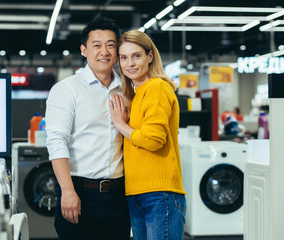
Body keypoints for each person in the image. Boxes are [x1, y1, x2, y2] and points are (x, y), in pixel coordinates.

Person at [45, 16, 130, 240]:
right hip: (80, 192)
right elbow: (56, 141)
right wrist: (67, 191)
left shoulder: (126, 90)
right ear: (84, 50)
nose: (104, 51)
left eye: (111, 45)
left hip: (119, 196)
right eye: (97, 45)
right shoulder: (67, 89)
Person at [109, 30, 186, 240]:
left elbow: (153, 140)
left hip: (160, 194)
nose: (130, 63)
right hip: (137, 193)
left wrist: (120, 125)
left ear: (150, 56)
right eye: (124, 58)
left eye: (136, 56)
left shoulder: (157, 87)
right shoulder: (135, 96)